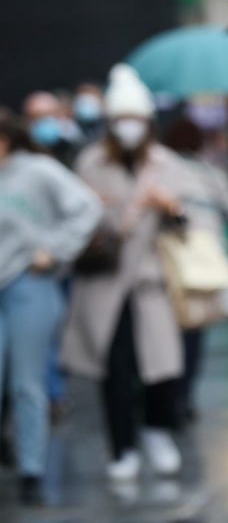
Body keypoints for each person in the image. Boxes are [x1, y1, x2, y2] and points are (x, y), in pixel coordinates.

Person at [61, 64, 192, 481]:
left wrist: (173, 208)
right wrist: (124, 212)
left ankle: (157, 431)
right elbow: (79, 221)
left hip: (151, 282)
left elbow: (190, 225)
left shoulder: (165, 162)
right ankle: (121, 448)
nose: (130, 128)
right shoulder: (91, 162)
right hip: (105, 284)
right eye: (122, 120)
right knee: (114, 370)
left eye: (136, 120)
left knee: (160, 367)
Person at [0, 111, 101, 505]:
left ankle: (32, 470)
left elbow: (86, 208)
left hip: (29, 283)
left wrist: (55, 250)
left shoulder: (37, 171)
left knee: (28, 381)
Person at [163, 118, 228, 421]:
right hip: (206, 259)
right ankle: (185, 397)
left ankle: (169, 395)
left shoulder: (161, 170)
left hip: (169, 258)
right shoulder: (212, 172)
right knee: (195, 329)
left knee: (169, 330)